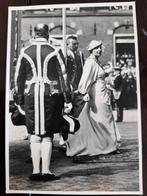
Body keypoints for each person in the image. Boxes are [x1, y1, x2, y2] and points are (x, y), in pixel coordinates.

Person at [14, 23, 72, 181]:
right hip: (50, 96)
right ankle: (46, 171)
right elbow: (64, 77)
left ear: (34, 34)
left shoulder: (25, 52)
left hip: (30, 95)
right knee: (47, 135)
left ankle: (35, 171)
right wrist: (68, 99)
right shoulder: (55, 51)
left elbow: (18, 77)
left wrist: (18, 100)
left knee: (34, 135)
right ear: (47, 35)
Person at [66, 40, 121, 161]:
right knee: (101, 119)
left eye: (100, 48)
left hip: (102, 93)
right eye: (96, 48)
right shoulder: (90, 62)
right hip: (96, 95)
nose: (99, 50)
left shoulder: (96, 61)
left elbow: (98, 76)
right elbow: (85, 78)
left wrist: (107, 72)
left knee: (105, 118)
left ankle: (109, 145)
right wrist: (84, 92)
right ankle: (107, 145)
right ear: (91, 50)